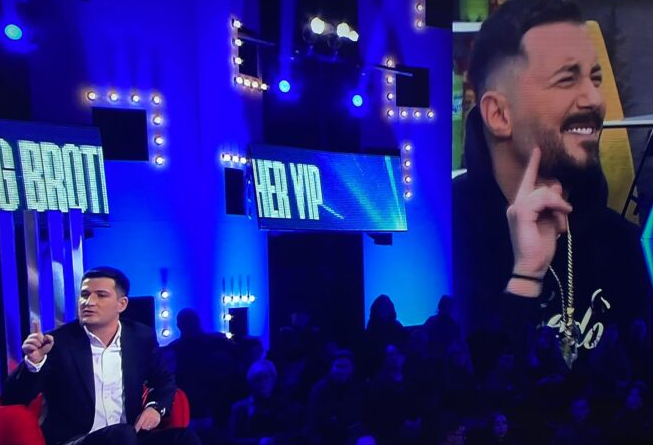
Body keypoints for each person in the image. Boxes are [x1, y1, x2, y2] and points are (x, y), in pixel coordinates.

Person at [453, 0, 652, 369]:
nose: (595, 100)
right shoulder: (441, 239)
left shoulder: (622, 243)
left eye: (595, 79)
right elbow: (453, 389)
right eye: (566, 79)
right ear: (499, 114)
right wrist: (526, 275)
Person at [1, 267, 200, 445]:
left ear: (122, 304)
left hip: (130, 436)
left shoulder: (140, 337)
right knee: (122, 434)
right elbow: (12, 399)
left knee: (183, 437)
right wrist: (34, 363)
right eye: (84, 295)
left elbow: (164, 380)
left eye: (101, 295)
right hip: (76, 440)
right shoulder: (56, 342)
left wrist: (155, 407)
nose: (89, 302)